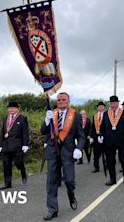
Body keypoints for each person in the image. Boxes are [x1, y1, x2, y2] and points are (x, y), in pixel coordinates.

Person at [41, 92, 85, 220]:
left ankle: (71, 196)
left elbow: (81, 136)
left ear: (68, 101)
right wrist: (46, 120)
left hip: (68, 152)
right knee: (51, 182)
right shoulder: (51, 113)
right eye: (59, 100)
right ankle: (52, 209)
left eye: (63, 99)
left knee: (69, 180)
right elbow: (43, 131)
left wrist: (79, 148)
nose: (60, 101)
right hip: (52, 151)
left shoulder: (76, 116)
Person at [99, 95, 124, 186]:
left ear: (118, 103)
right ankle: (112, 179)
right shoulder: (106, 113)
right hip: (109, 141)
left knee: (123, 159)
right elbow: (102, 126)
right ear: (110, 104)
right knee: (110, 161)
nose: (113, 105)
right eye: (111, 103)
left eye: (115, 103)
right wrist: (101, 135)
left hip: (122, 140)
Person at [0, 101, 30, 190]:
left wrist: (25, 144)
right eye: (9, 108)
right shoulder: (5, 119)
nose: (11, 110)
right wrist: (0, 145)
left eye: (13, 108)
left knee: (18, 162)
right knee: (6, 165)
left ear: (17, 109)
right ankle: (7, 183)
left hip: (17, 145)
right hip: (6, 146)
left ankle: (23, 171)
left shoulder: (22, 118)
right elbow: (2, 132)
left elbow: (25, 132)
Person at [90, 101, 106, 173]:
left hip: (105, 136)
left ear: (104, 107)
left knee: (106, 152)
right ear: (97, 108)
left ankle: (108, 165)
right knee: (96, 153)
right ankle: (96, 167)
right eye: (99, 106)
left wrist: (103, 135)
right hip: (96, 136)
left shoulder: (107, 115)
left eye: (102, 106)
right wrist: (91, 137)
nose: (101, 107)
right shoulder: (95, 115)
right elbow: (92, 127)